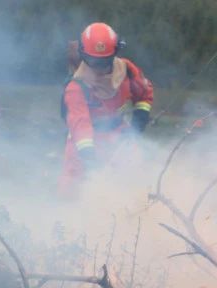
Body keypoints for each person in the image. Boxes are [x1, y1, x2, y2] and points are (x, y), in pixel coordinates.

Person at [59, 22, 154, 197]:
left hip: (121, 137)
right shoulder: (77, 86)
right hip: (84, 144)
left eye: (104, 61)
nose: (99, 67)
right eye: (93, 61)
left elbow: (144, 93)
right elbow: (80, 124)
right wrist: (89, 156)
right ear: (83, 55)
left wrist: (139, 120)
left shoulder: (126, 70)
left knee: (131, 188)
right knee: (74, 192)